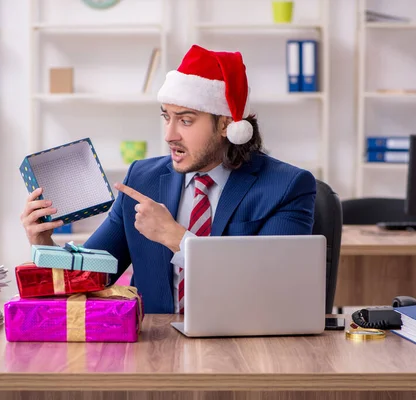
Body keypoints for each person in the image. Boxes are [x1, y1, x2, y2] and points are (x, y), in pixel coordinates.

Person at [21, 44, 317, 314]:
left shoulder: (287, 187)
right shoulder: (142, 179)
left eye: (185, 120)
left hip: (244, 350)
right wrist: (44, 244)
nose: (169, 135)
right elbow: (92, 277)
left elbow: (273, 287)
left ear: (226, 125)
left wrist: (177, 239)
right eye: (166, 117)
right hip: (155, 349)